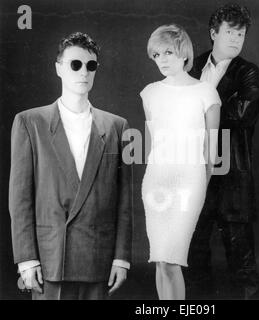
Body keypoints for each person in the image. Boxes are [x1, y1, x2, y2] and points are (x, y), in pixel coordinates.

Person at [9, 32, 133, 300]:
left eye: (91, 65)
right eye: (75, 64)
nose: (83, 72)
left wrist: (121, 258)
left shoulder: (116, 126)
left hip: (98, 258)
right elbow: (20, 199)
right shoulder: (30, 123)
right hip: (51, 258)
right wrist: (27, 258)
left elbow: (124, 201)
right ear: (59, 69)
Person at [186, 4, 259, 299]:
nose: (236, 39)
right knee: (194, 257)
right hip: (195, 176)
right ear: (213, 33)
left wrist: (197, 108)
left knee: (241, 262)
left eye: (241, 34)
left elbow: (243, 112)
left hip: (232, 178)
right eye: (230, 32)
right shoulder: (192, 66)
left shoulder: (249, 72)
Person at [140, 24, 221, 300]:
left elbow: (212, 149)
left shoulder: (206, 92)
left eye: (169, 52)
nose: (162, 59)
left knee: (172, 259)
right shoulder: (149, 93)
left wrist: (201, 182)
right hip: (156, 181)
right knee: (160, 259)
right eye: (157, 54)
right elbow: (153, 143)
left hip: (189, 181)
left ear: (184, 54)